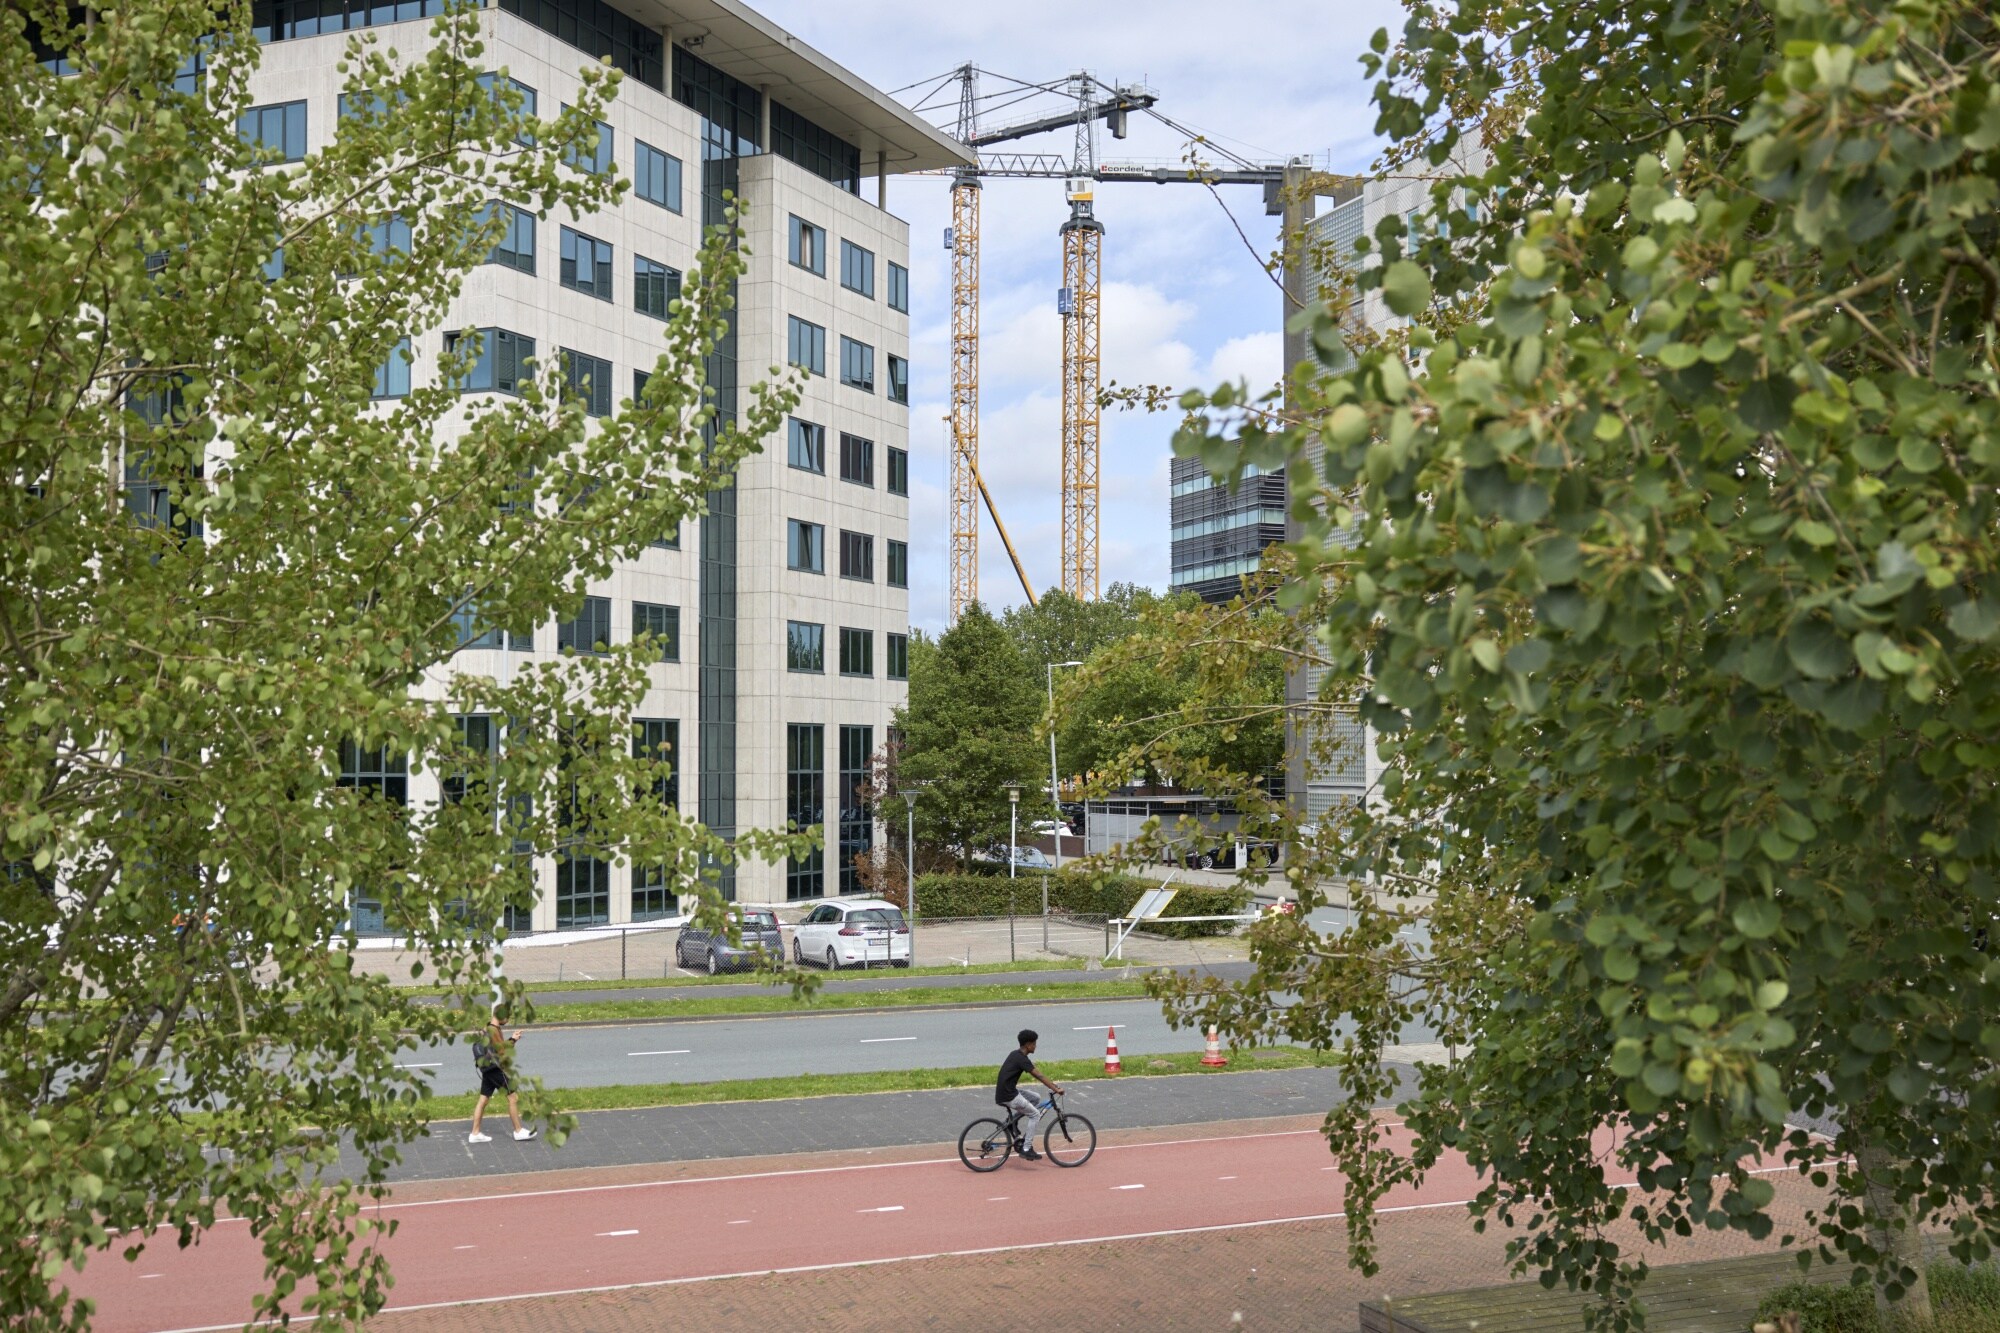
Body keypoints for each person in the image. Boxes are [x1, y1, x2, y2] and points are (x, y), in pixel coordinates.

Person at [468, 1014, 538, 1144]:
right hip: (495, 1069)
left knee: (483, 1099)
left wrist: (512, 1039)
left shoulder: (488, 1027)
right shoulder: (494, 1030)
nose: (508, 1019)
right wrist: (513, 1040)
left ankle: (475, 1133)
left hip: (487, 1068)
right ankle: (518, 1131)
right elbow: (501, 1052)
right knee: (513, 1097)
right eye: (507, 1016)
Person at [995, 1029, 1063, 1161]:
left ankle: (1011, 1123)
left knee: (1035, 1098)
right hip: (1009, 1096)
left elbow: (1038, 1073)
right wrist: (1055, 1088)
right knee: (1035, 1114)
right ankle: (1026, 1149)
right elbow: (1039, 1075)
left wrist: (1053, 1085)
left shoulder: (1015, 1054)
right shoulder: (1022, 1059)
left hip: (1006, 1091)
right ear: (1028, 1045)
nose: (1036, 1046)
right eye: (1034, 1043)